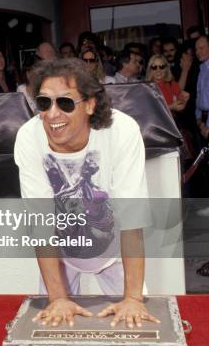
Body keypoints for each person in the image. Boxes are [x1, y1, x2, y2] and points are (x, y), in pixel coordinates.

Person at [14, 58, 158, 328]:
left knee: (136, 325)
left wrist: (134, 298)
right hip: (61, 254)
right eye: (44, 103)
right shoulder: (28, 136)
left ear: (90, 104)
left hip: (116, 250)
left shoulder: (121, 131)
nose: (52, 114)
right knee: (52, 328)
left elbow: (131, 220)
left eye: (65, 103)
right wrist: (57, 298)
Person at [195, 35, 209, 141]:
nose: (197, 52)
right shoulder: (203, 67)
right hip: (203, 120)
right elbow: (199, 95)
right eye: (196, 49)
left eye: (201, 48)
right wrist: (198, 119)